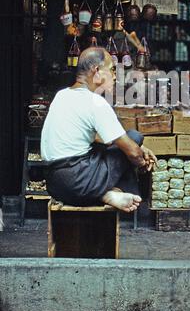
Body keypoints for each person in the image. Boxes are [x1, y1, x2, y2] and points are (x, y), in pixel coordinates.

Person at [41, 47, 156, 213]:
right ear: (96, 71)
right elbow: (133, 153)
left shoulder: (62, 95)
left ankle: (107, 195)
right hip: (79, 181)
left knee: (116, 147)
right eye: (111, 69)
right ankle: (121, 193)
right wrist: (142, 161)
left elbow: (97, 140)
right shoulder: (96, 102)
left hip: (55, 185)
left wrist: (137, 150)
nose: (115, 75)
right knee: (134, 136)